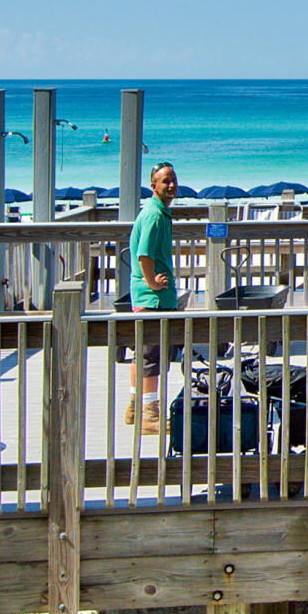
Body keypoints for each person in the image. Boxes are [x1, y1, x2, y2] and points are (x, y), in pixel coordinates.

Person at [129, 162, 182, 433]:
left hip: (148, 297)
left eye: (173, 180)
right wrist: (151, 282)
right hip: (153, 299)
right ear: (154, 186)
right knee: (152, 356)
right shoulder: (153, 215)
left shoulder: (158, 212)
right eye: (165, 182)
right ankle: (149, 416)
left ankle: (134, 406)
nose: (171, 186)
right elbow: (143, 254)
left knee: (143, 353)